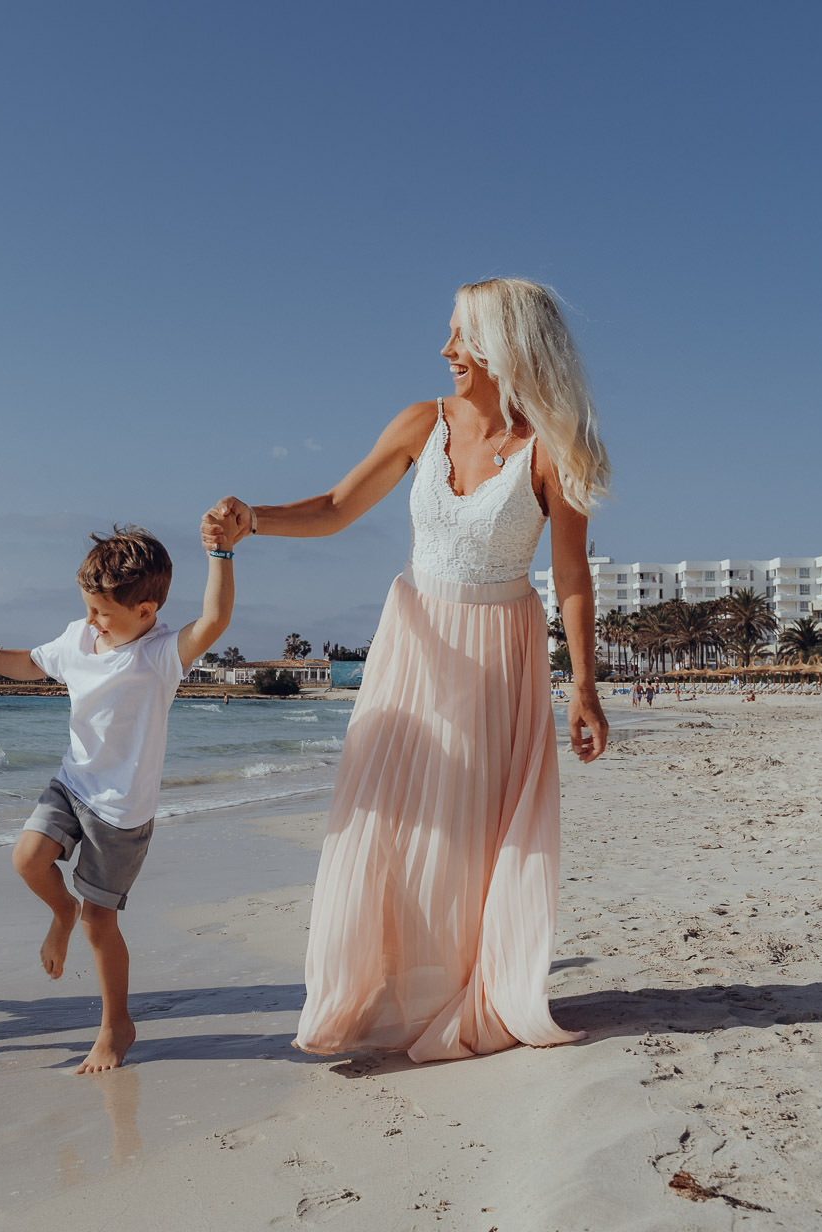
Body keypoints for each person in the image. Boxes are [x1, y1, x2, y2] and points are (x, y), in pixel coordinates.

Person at [204, 277, 609, 1062]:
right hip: (413, 644)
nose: (447, 350)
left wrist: (583, 687)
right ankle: (373, 990)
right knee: (383, 819)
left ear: (507, 346)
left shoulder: (553, 451)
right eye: (451, 334)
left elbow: (572, 580)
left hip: (499, 655)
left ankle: (461, 988)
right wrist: (254, 521)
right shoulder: (421, 423)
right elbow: (334, 505)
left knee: (467, 834)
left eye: (462, 336)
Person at [0, 524, 237, 1073]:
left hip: (122, 811)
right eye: (88, 607)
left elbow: (215, 621)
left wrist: (220, 553)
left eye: (104, 612)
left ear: (147, 610)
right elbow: (34, 664)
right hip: (73, 781)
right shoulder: (79, 638)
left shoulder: (159, 654)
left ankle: (116, 1026)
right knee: (27, 858)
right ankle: (61, 909)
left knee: (99, 924)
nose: (92, 620)